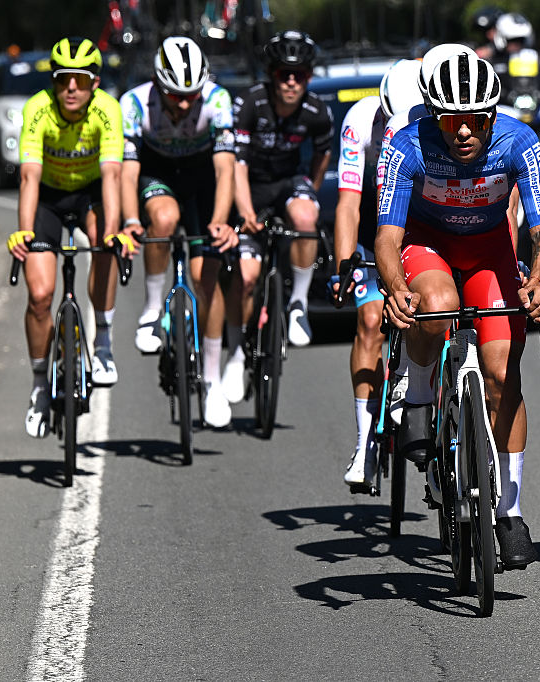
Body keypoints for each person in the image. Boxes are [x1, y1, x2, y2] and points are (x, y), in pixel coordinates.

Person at [375, 52, 540, 569]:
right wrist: (394, 287)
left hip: (489, 250)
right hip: (428, 243)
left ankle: (512, 511)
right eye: (451, 118)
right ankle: (416, 382)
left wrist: (538, 281)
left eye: (476, 119)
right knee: (436, 306)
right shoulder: (406, 144)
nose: (463, 131)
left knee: (503, 369)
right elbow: (388, 237)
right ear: (434, 114)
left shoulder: (519, 142)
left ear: (493, 116)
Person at [7, 37, 129, 438]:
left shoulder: (108, 110)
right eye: (62, 81)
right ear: (54, 84)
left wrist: (113, 232)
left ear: (94, 82)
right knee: (40, 295)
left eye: (80, 80)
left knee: (105, 245)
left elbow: (112, 176)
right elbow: (29, 177)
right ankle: (40, 386)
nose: (71, 89)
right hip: (48, 199)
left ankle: (105, 342)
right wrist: (24, 231)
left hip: (91, 192)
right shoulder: (37, 109)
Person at [119, 36, 239, 428]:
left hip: (203, 179)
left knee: (209, 279)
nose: (186, 103)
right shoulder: (135, 104)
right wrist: (130, 220)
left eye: (192, 94)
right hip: (158, 174)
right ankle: (152, 310)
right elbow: (129, 171)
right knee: (164, 220)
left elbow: (225, 169)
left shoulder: (218, 100)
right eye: (176, 95)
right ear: (158, 83)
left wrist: (220, 220)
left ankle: (211, 380)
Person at [331, 58, 423, 491]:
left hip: (421, 226)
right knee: (370, 321)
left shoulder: (430, 120)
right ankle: (365, 438)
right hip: (374, 223)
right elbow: (349, 202)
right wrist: (345, 263)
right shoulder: (360, 118)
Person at [233, 30, 333, 352]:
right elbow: (237, 164)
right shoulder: (251, 103)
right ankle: (236, 355)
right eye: (284, 74)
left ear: (309, 77)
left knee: (306, 216)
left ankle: (298, 303)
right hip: (249, 187)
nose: (292, 82)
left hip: (289, 180)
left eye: (299, 75)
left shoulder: (318, 111)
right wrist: (246, 212)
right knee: (247, 278)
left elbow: (322, 155)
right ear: (272, 76)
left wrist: (311, 193)